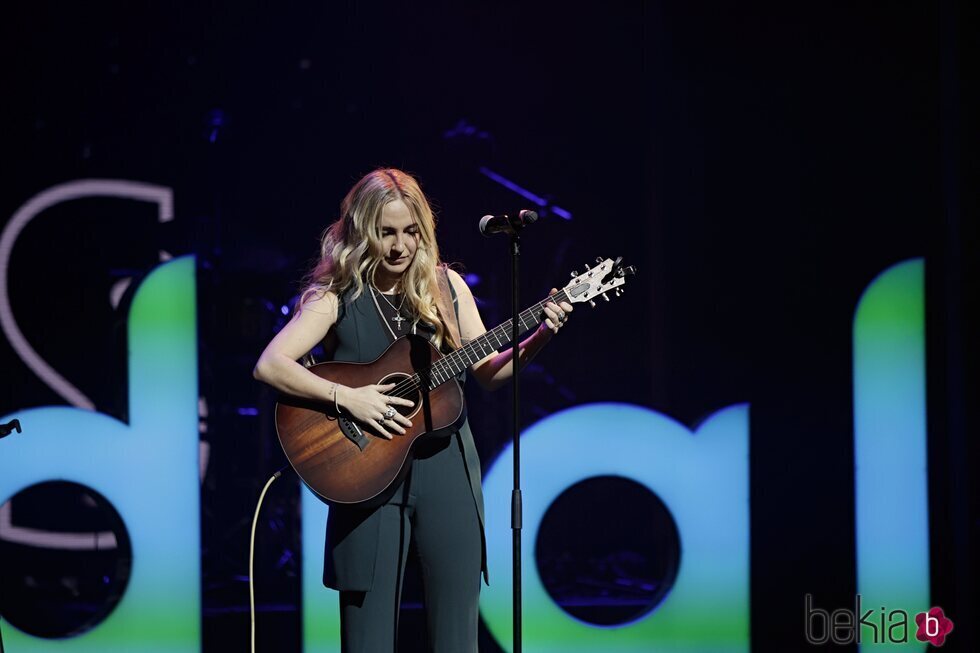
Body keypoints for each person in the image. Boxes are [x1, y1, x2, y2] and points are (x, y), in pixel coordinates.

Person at [253, 168, 573, 653]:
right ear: (363, 232)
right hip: (364, 474)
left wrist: (540, 336)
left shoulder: (448, 288)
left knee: (455, 636)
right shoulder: (335, 295)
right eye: (386, 233)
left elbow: (488, 372)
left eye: (410, 232)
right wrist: (350, 397)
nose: (400, 246)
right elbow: (271, 364)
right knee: (368, 641)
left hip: (447, 473)